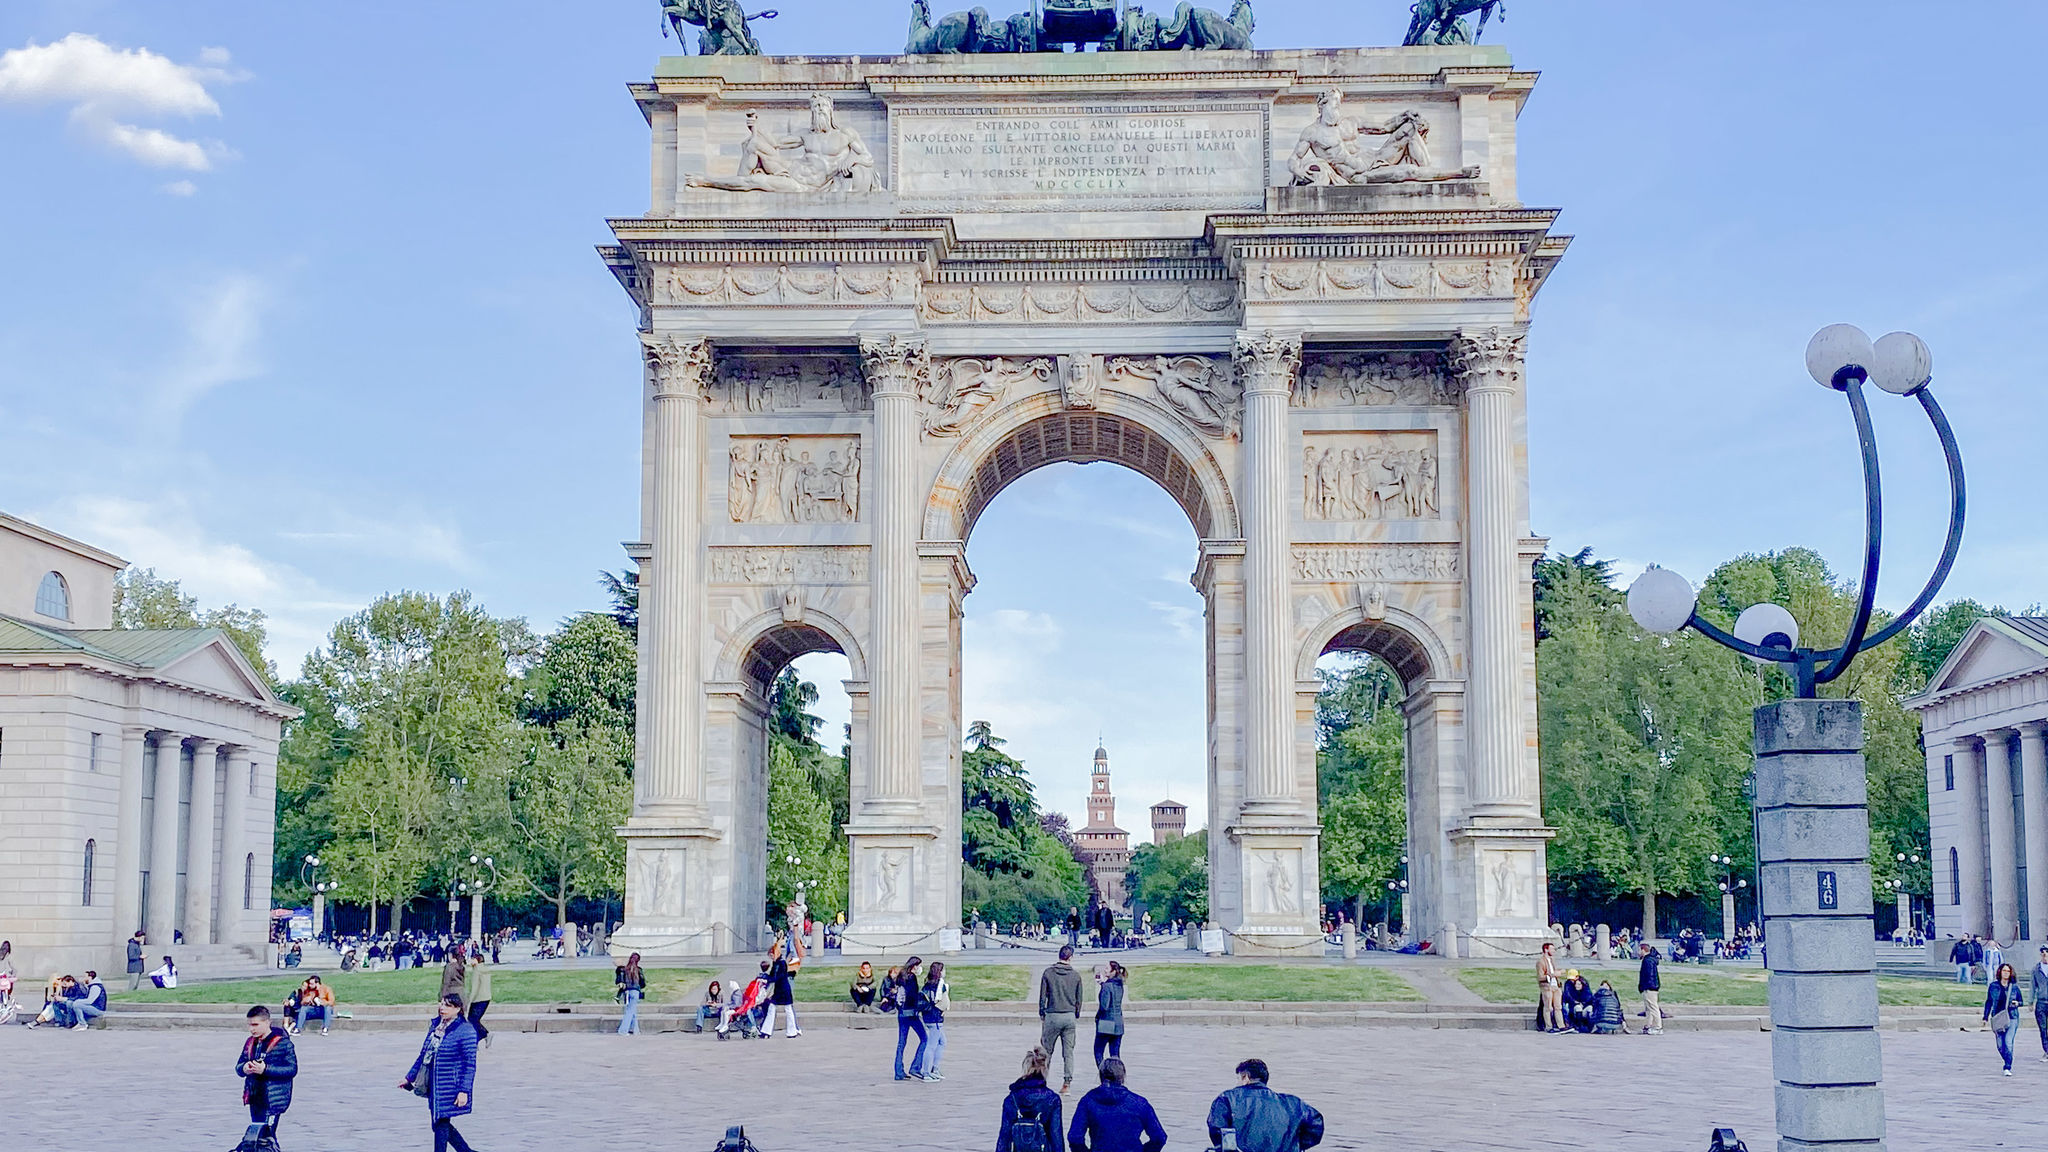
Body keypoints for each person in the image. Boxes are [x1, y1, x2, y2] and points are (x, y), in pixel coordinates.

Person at [403, 992, 481, 1152]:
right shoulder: (437, 1026)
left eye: (447, 1005)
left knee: (440, 1123)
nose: (442, 1008)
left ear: (458, 1009)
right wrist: (409, 1077)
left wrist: (463, 1091)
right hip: (433, 1083)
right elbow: (424, 1054)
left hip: (450, 1085)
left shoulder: (465, 1031)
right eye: (441, 1003)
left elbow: (469, 1064)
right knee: (438, 1122)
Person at [1206, 1058, 1324, 1152]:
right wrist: (1294, 1144)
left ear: (1245, 1078)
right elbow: (1316, 1124)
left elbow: (1218, 1130)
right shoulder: (1294, 1103)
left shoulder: (1227, 1098)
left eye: (1238, 1079)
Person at [1068, 1057, 1165, 1152]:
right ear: (1123, 1077)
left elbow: (1075, 1138)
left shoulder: (1088, 1101)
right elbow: (1159, 1137)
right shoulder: (1139, 1103)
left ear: (1101, 1076)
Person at [236, 1005, 298, 1144]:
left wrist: (266, 1069)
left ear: (267, 1023)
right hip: (254, 1096)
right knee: (258, 1134)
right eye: (249, 1025)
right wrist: (244, 1068)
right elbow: (239, 1066)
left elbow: (291, 1069)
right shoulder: (250, 1042)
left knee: (266, 1137)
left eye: (255, 1025)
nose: (252, 1029)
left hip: (273, 1098)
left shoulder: (283, 1043)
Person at [997, 1046, 1066, 1152]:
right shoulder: (1052, 1099)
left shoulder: (1012, 1098)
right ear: (1045, 1068)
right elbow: (1056, 1136)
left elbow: (1004, 1137)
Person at [1039, 945, 1085, 1093]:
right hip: (1069, 1016)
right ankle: (1067, 1083)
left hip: (1052, 1014)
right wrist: (1076, 1013)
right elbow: (1079, 999)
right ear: (1070, 957)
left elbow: (1042, 997)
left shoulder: (1048, 973)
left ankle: (1041, 1080)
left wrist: (1042, 1013)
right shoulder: (1076, 976)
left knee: (1046, 1051)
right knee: (1068, 1052)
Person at [1985, 963, 2025, 1075]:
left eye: (2008, 971)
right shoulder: (1993, 986)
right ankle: (2006, 1057)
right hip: (1998, 1017)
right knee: (1999, 1044)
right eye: (2004, 971)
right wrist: (1985, 1016)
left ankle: (2007, 1065)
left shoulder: (2014, 987)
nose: (2006, 973)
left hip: (2012, 1017)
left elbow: (2021, 1001)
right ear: (2000, 972)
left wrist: (2017, 1003)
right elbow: (1989, 1002)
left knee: (2008, 1041)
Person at [893, 956, 930, 1081]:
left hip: (901, 1013)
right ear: (914, 966)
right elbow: (912, 996)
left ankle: (898, 1071)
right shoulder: (911, 978)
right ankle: (915, 1067)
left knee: (901, 1042)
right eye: (918, 966)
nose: (919, 968)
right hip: (911, 1013)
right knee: (924, 1038)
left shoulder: (901, 977)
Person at [919, 961, 950, 1081]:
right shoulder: (940, 985)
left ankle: (935, 1068)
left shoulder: (927, 984)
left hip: (928, 1016)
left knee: (942, 1041)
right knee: (931, 1045)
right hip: (935, 1018)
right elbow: (943, 1002)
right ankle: (926, 1072)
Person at [1093, 962, 1126, 1067]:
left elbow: (1104, 1006)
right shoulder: (1119, 985)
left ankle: (1103, 1074)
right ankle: (1116, 1075)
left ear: (1113, 971)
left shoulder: (1107, 986)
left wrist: (1103, 987)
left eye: (1107, 968)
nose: (1105, 970)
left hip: (1106, 1022)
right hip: (1118, 1023)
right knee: (1115, 1054)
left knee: (1098, 1051)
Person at [764, 943, 800, 1038]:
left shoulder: (782, 963)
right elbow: (772, 974)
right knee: (772, 1008)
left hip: (784, 990)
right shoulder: (776, 963)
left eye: (771, 955)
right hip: (778, 989)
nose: (771, 958)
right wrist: (765, 977)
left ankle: (792, 1031)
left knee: (788, 1009)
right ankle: (766, 1031)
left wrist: (770, 979)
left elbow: (779, 976)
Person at [463, 946, 492, 1046]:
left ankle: (485, 1034)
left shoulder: (477, 971)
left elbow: (475, 987)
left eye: (472, 958)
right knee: (474, 1020)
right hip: (486, 998)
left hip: (478, 999)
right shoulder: (485, 969)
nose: (470, 960)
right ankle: (475, 1041)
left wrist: (469, 1001)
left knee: (472, 1020)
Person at [615, 951, 647, 1035]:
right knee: (630, 1011)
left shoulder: (625, 969)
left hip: (627, 992)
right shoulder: (639, 970)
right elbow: (643, 983)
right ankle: (623, 1031)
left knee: (632, 1010)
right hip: (635, 991)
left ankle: (635, 1030)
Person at [1535, 941, 1563, 1033]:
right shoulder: (1540, 962)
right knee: (1548, 1007)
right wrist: (1552, 975)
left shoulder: (1552, 960)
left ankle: (1561, 1025)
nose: (1554, 951)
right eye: (1552, 949)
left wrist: (1559, 973)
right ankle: (1548, 1026)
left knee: (1558, 1007)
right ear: (1546, 950)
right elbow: (1540, 977)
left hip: (1556, 986)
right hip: (1547, 987)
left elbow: (1555, 972)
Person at [1637, 943, 1663, 1035]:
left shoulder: (1647, 961)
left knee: (1653, 1007)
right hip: (1650, 987)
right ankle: (1648, 1025)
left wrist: (1645, 986)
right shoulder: (1649, 960)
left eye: (1639, 950)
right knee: (1649, 1008)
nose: (1638, 952)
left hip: (1649, 987)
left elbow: (1648, 975)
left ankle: (1658, 1027)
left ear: (1643, 950)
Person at [2032, 946, 2048, 1062]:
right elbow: (2032, 986)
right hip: (2041, 1002)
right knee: (2043, 1028)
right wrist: (2030, 1001)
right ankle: (2046, 1051)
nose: (2045, 955)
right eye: (2043, 953)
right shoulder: (2036, 969)